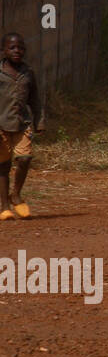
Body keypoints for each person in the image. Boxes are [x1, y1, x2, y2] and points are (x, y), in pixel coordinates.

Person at [0, 33, 43, 221]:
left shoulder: (28, 73)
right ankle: (4, 206)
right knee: (3, 166)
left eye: (21, 48)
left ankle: (16, 194)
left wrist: (39, 121)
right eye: (12, 48)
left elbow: (35, 99)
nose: (17, 51)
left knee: (24, 159)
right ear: (4, 50)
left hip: (21, 124)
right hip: (1, 125)